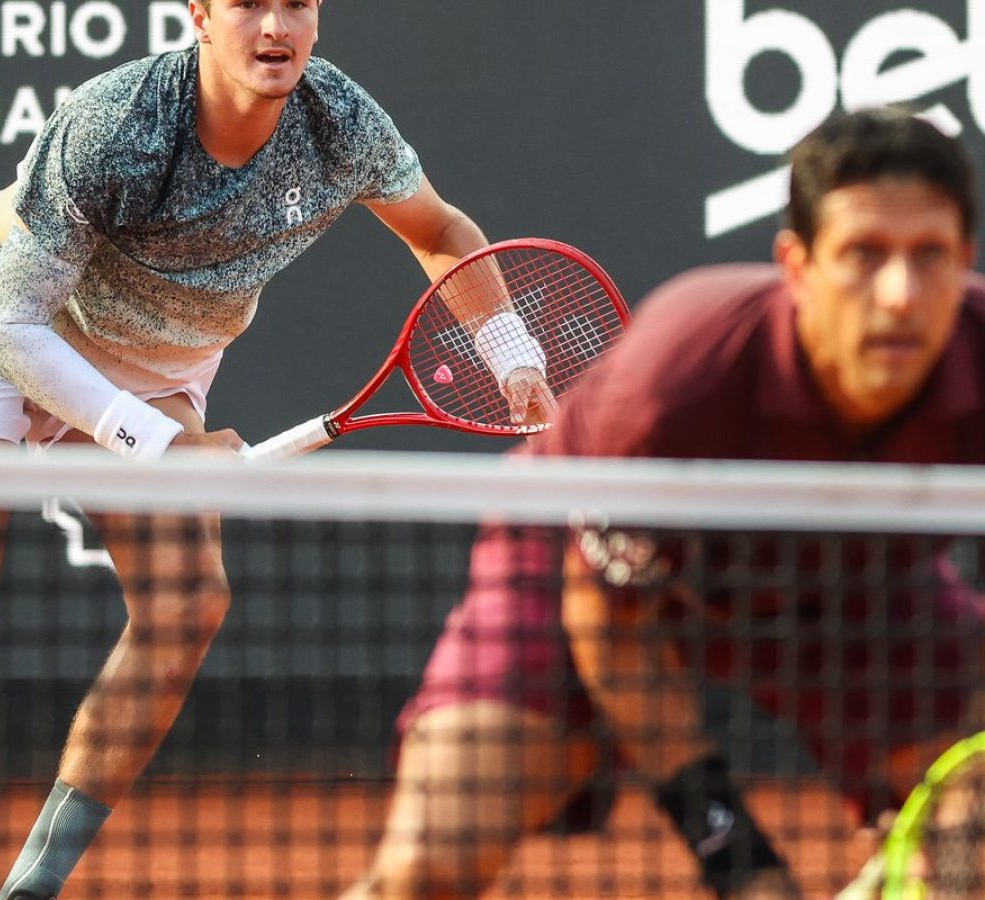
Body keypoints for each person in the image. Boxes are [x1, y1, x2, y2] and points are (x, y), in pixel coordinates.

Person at [0, 2, 553, 898]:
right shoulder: (120, 123)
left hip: (154, 357)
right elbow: (7, 325)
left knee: (186, 605)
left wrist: (513, 353)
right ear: (200, 15)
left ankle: (29, 892)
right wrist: (158, 445)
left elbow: (439, 231)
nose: (274, 25)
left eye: (296, 4)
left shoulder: (340, 121)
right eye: (248, 3)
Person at [344, 107, 985, 899]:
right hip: (574, 568)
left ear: (966, 259)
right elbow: (612, 624)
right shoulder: (677, 385)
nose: (899, 296)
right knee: (429, 866)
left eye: (930, 255)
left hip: (847, 584)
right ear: (797, 266)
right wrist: (737, 858)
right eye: (863, 254)